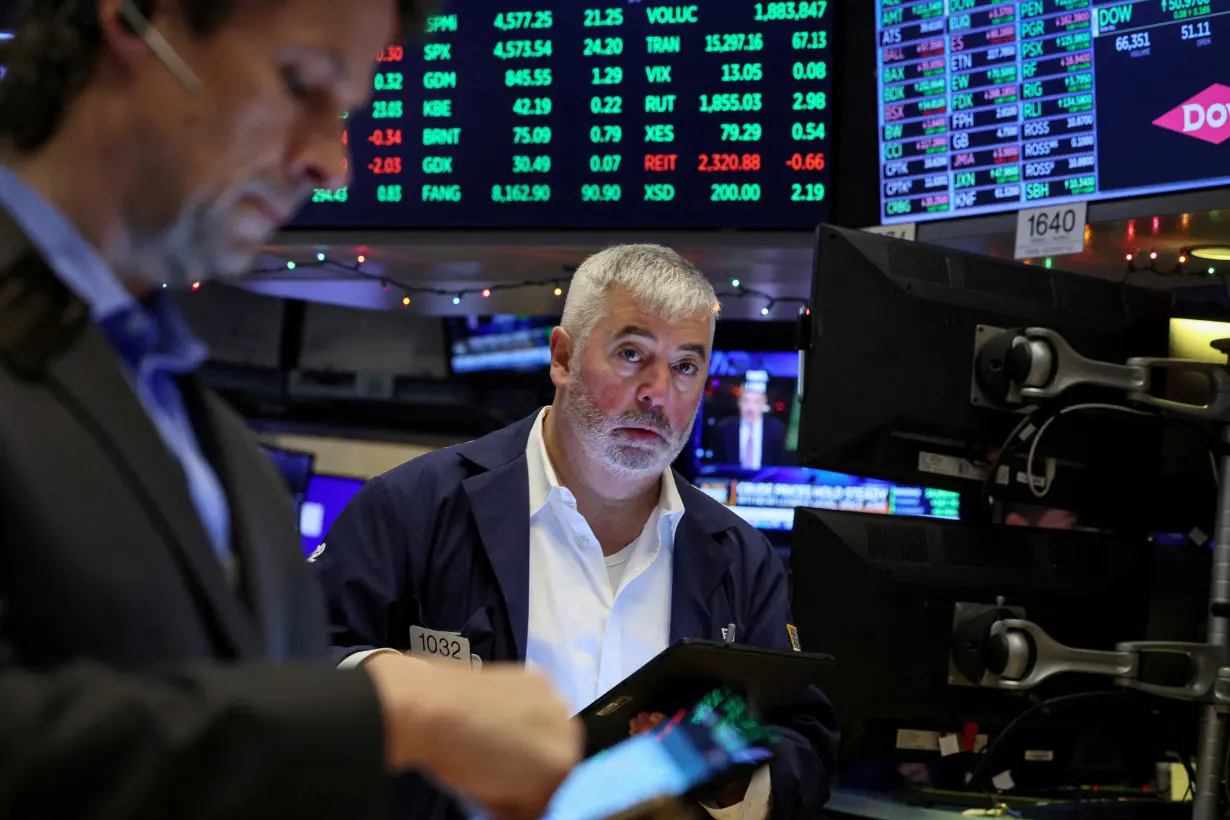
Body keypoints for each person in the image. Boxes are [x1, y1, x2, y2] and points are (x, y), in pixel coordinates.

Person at [0, 1, 581, 818]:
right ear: (136, 24)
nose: (329, 161)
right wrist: (390, 717)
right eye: (300, 83)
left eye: (343, 113)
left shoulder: (208, 439)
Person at [315, 244, 840, 819]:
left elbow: (803, 737)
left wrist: (725, 770)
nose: (658, 392)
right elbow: (292, 664)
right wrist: (404, 687)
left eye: (686, 366)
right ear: (562, 358)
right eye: (632, 353)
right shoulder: (414, 506)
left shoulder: (741, 556)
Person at [716, 382, 786, 469]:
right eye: (746, 400)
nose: (750, 408)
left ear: (764, 403)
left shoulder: (776, 429)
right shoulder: (725, 428)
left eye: (756, 402)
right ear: (739, 402)